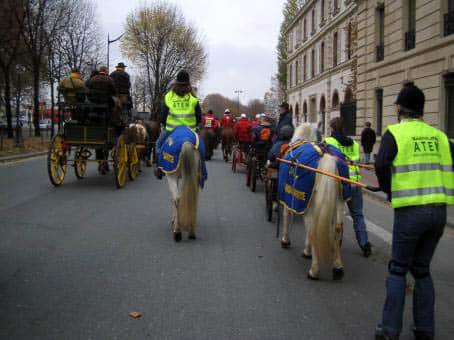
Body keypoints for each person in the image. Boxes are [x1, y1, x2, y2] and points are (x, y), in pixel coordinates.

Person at [374, 84, 454, 340]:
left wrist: (390, 191)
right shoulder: (440, 136)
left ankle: (389, 330)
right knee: (421, 269)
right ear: (422, 109)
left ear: (399, 108)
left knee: (398, 269)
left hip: (411, 211)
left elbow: (381, 165)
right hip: (439, 212)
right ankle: (425, 329)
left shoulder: (395, 133)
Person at [324, 117, 372, 257]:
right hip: (354, 183)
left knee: (332, 214)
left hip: (337, 182)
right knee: (357, 214)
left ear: (332, 128)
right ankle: (364, 244)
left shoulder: (328, 142)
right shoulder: (354, 143)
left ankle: (331, 243)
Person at [155, 70, 202, 179]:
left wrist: (162, 123)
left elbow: (163, 115)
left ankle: (160, 167)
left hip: (171, 130)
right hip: (190, 131)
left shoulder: (169, 96)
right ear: (188, 83)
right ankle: (200, 170)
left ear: (176, 82)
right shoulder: (193, 98)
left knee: (158, 144)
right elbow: (199, 116)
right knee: (200, 146)